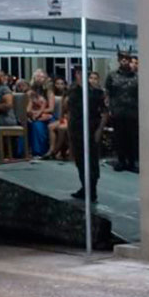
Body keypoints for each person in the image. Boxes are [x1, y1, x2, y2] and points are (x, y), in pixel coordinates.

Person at [68, 68, 106, 201]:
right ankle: (85, 188)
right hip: (76, 129)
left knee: (92, 162)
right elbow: (70, 112)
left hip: (91, 130)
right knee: (80, 162)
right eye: (78, 73)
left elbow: (104, 112)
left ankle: (92, 190)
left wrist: (99, 130)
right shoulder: (73, 91)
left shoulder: (96, 93)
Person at [105, 50, 139, 172]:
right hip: (117, 111)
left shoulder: (137, 76)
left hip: (133, 112)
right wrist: (108, 109)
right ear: (119, 60)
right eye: (122, 58)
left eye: (126, 58)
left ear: (130, 60)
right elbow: (107, 93)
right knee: (119, 137)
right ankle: (121, 161)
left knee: (132, 138)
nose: (124, 60)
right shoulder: (112, 75)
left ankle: (132, 162)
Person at [25, 83, 54, 156]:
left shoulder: (49, 93)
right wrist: (33, 114)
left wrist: (39, 112)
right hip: (33, 115)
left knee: (37, 125)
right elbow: (28, 109)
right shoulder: (30, 94)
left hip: (46, 115)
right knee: (27, 123)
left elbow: (51, 109)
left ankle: (39, 151)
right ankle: (22, 152)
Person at [48, 76, 71, 159]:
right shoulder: (54, 94)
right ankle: (52, 148)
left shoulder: (69, 96)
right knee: (51, 126)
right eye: (57, 83)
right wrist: (61, 119)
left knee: (62, 128)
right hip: (62, 117)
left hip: (71, 119)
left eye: (62, 84)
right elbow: (62, 110)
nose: (59, 86)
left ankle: (56, 151)